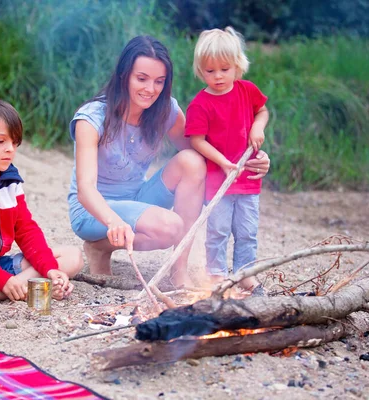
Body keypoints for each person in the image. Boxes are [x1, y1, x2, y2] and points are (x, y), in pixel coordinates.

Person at [68, 35, 270, 288]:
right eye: (141, 79)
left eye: (159, 81)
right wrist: (114, 222)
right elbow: (85, 190)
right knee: (169, 227)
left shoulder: (166, 111)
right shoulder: (91, 118)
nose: (150, 89)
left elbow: (203, 159)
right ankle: (99, 246)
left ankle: (178, 271)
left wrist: (254, 159)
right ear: (124, 76)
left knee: (192, 161)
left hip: (137, 198)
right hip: (92, 211)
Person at [0, 98, 83, 301]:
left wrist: (49, 269)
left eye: (15, 142)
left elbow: (26, 230)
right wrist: (1, 278)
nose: (10, 149)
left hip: (1, 263)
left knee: (73, 256)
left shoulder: (9, 179)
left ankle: (16, 287)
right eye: (1, 141)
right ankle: (10, 290)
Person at [185, 27, 269, 293]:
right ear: (201, 70)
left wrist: (258, 127)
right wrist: (222, 161)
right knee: (218, 231)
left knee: (246, 231)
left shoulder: (247, 91)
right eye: (210, 71)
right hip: (218, 180)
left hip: (247, 178)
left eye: (224, 69)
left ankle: (245, 273)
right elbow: (196, 140)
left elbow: (263, 111)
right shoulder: (200, 104)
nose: (218, 76)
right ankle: (217, 274)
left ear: (237, 66)